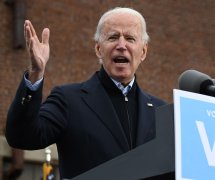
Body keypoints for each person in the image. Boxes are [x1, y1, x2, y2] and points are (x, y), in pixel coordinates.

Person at [5, 7, 167, 179]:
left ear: (143, 51)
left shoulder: (161, 111)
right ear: (98, 49)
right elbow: (21, 137)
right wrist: (35, 73)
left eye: (130, 38)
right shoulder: (69, 100)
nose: (121, 45)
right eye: (113, 37)